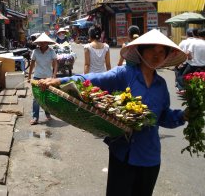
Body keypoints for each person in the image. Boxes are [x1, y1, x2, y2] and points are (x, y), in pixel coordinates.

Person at [37, 29, 188, 196]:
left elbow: (163, 117)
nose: (156, 55)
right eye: (152, 49)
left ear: (166, 56)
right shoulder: (124, 74)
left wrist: (183, 116)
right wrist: (59, 80)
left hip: (150, 158)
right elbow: (92, 79)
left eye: (161, 52)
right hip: (123, 154)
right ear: (141, 51)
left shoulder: (161, 85)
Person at [27, 32, 58, 125]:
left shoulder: (52, 51)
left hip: (48, 78)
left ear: (47, 43)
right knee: (36, 98)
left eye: (45, 42)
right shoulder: (35, 52)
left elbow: (55, 64)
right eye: (41, 42)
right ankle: (35, 117)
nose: (43, 44)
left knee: (47, 97)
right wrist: (29, 76)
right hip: (37, 77)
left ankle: (48, 114)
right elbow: (32, 64)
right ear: (39, 43)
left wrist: (54, 75)